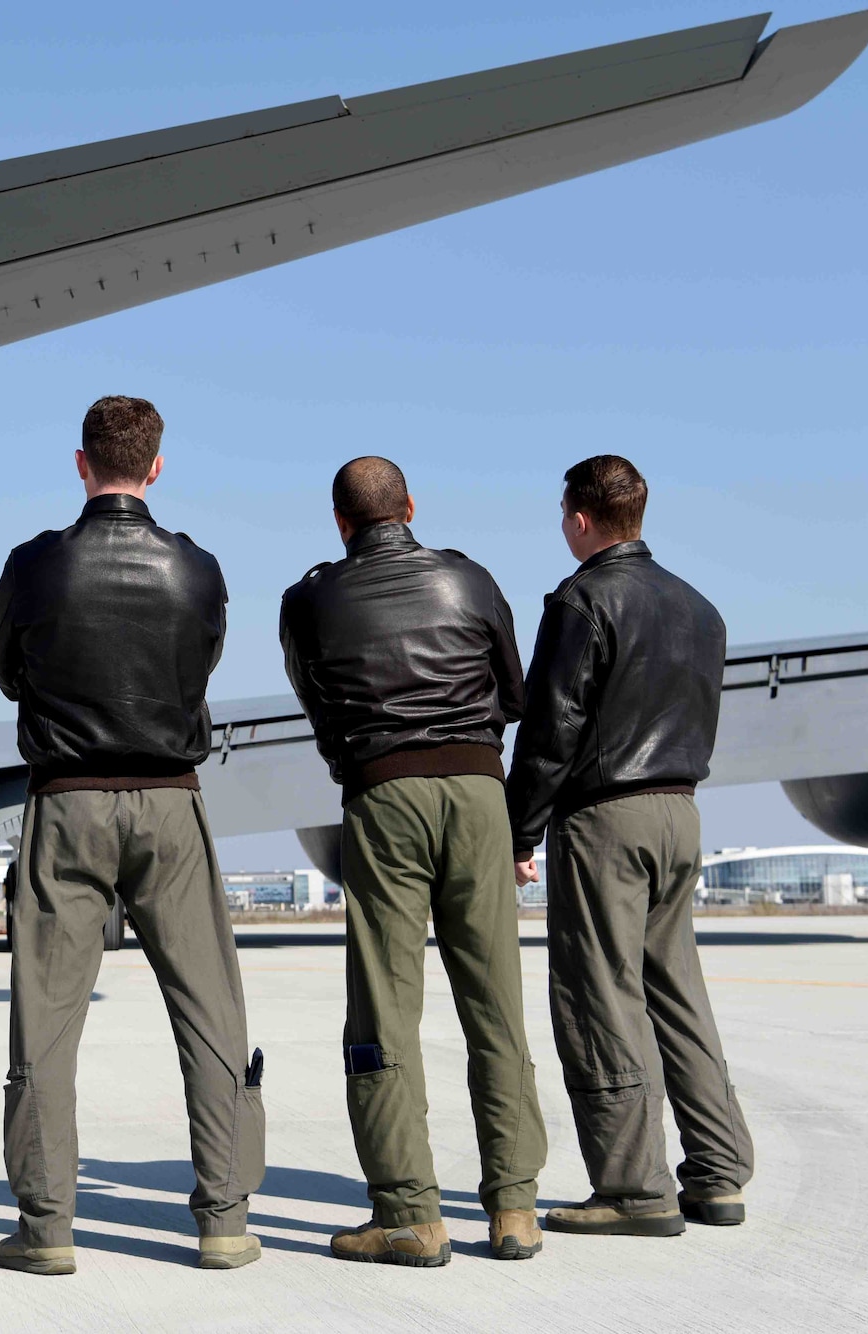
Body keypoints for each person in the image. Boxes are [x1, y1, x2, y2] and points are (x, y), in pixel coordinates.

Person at [0, 395, 265, 1275]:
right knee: (210, 1011)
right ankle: (223, 1219)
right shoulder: (197, 571)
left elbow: (8, 675)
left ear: (82, 464)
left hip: (66, 802)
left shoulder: (33, 567)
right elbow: (202, 662)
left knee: (46, 1020)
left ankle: (47, 1230)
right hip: (170, 802)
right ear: (156, 467)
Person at [279, 456, 547, 1267]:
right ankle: (515, 1209)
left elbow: (316, 699)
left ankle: (408, 1214)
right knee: (495, 998)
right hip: (477, 791)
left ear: (340, 520)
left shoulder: (312, 598)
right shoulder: (468, 580)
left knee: (386, 1007)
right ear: (411, 508)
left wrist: (362, 763)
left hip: (382, 793)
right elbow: (514, 691)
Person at [509, 455, 753, 1237]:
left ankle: (633, 1189)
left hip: (607, 818)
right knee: (678, 992)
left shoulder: (582, 599)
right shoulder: (700, 608)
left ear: (580, 519)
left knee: (599, 995)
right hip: (681, 811)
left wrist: (520, 830)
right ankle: (717, 1174)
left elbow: (552, 731)